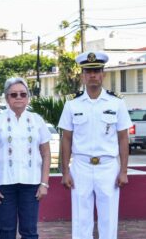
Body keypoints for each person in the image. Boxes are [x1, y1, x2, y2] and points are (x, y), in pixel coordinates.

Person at [59, 51, 131, 239]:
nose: (93, 75)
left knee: (108, 219)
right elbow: (66, 138)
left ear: (103, 74)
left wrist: (123, 170)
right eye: (88, 71)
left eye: (97, 71)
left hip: (108, 167)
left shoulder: (117, 103)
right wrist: (65, 171)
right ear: (82, 75)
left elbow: (123, 138)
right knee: (81, 220)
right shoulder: (72, 104)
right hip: (81, 166)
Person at [0, 77, 51, 239]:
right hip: (5, 185)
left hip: (31, 185)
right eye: (14, 94)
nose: (19, 97)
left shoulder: (37, 120)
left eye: (23, 93)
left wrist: (44, 183)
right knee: (6, 231)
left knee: (29, 231)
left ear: (28, 97)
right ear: (7, 98)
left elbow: (46, 153)